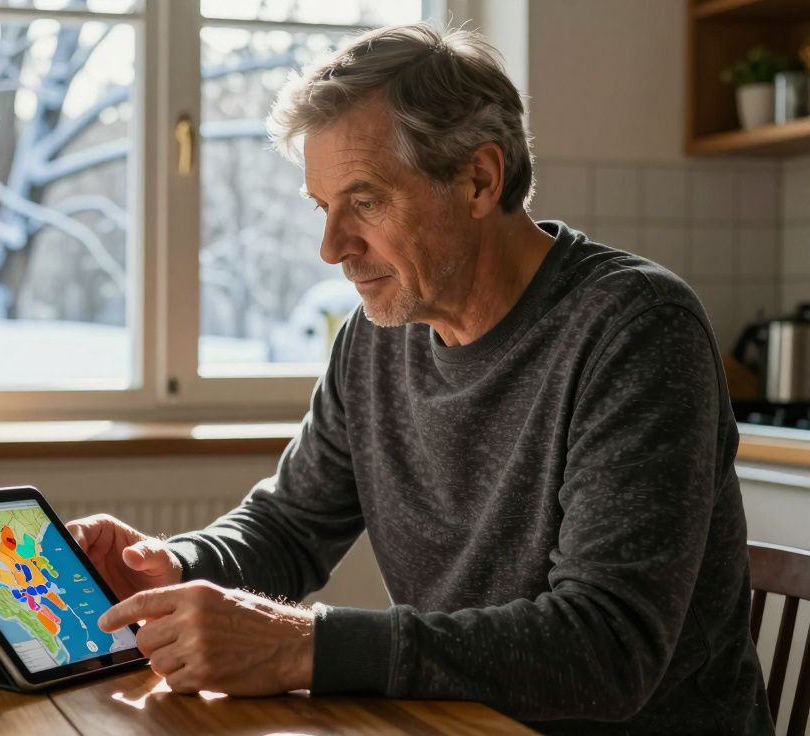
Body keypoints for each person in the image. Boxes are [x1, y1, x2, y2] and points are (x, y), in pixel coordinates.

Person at [66, 22, 773, 734]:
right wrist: (173, 565)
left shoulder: (635, 328)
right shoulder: (374, 342)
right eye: (324, 207)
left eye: (366, 202)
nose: (331, 247)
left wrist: (304, 647)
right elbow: (288, 527)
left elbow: (607, 650)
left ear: (478, 179)